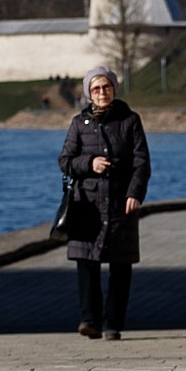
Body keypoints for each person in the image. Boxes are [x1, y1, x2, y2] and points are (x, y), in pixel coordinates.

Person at [58, 65, 150, 340]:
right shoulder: (79, 123)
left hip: (120, 204)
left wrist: (135, 193)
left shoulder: (130, 120)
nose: (101, 93)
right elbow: (65, 161)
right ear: (89, 92)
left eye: (106, 87)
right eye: (96, 89)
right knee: (87, 264)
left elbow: (141, 162)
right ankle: (89, 320)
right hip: (87, 206)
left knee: (121, 267)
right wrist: (89, 163)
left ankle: (113, 323)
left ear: (114, 89)